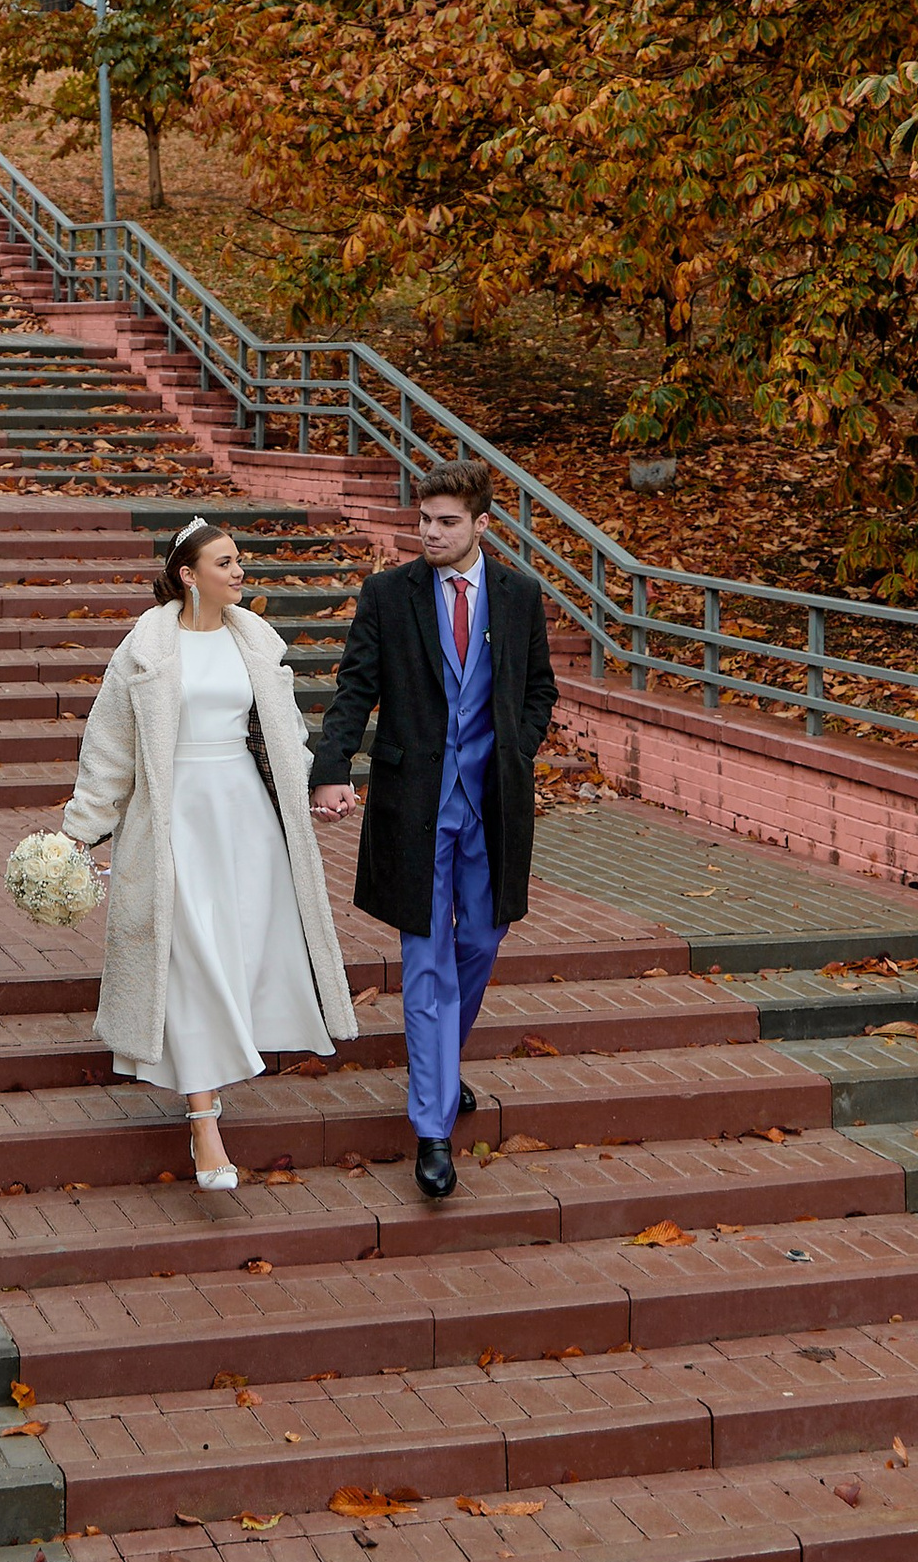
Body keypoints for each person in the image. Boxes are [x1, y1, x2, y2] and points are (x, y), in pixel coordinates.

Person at [61, 513, 358, 1189]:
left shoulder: (254, 638)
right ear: (187, 576)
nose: (239, 572)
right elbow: (109, 749)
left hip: (245, 820)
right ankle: (205, 1123)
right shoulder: (144, 647)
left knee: (234, 952)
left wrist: (311, 793)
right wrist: (80, 831)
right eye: (224, 563)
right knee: (188, 956)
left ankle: (206, 1097)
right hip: (172, 819)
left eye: (239, 560)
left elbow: (286, 737)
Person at [308, 465, 558, 1199]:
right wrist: (333, 767)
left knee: (480, 941)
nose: (430, 533)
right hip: (414, 804)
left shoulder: (519, 596)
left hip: (492, 803)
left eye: (447, 522)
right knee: (425, 962)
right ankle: (432, 1130)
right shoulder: (391, 594)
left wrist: (518, 746)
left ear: (483, 525)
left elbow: (539, 685)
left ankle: (440, 1071)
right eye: (425, 520)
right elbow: (355, 686)